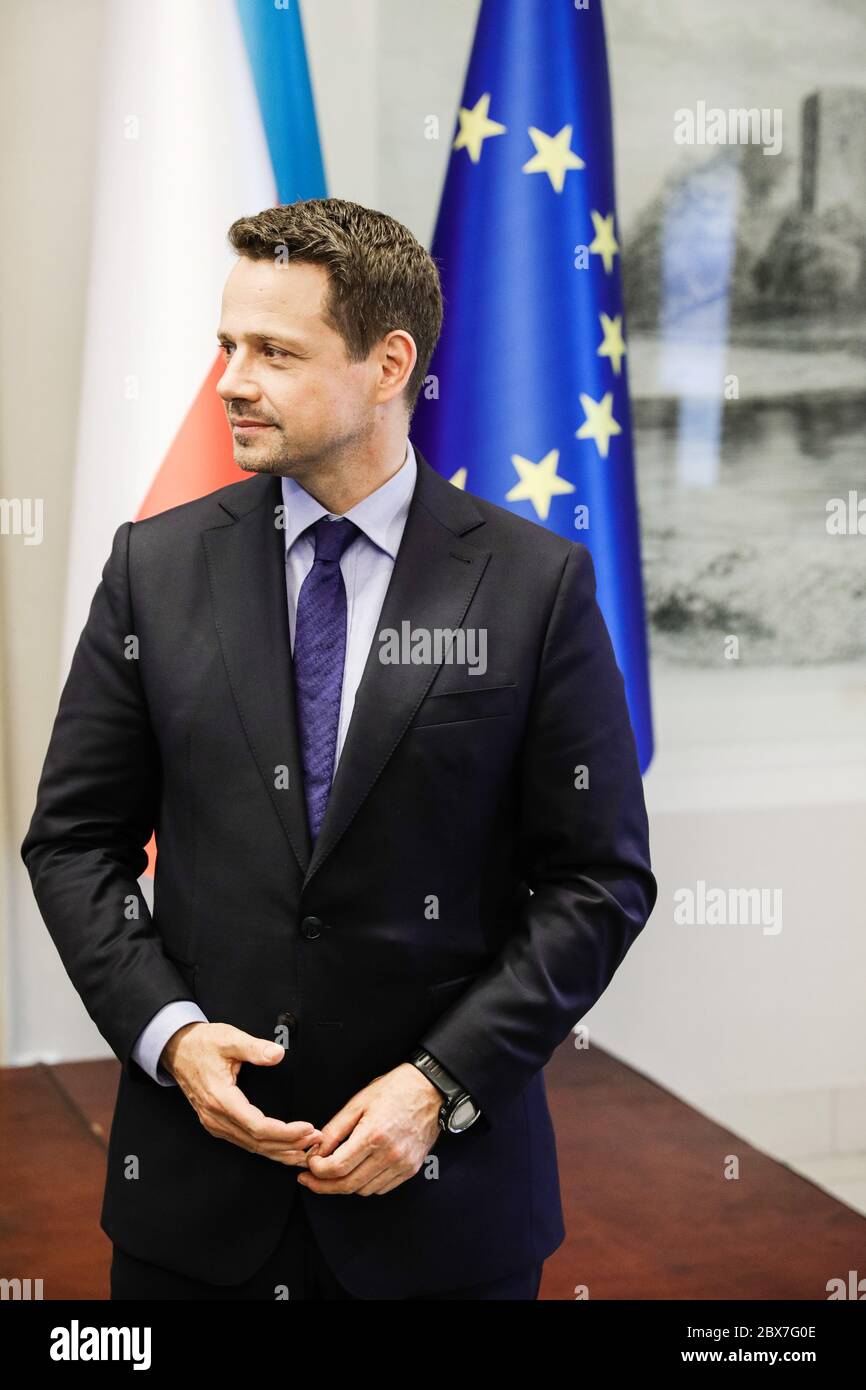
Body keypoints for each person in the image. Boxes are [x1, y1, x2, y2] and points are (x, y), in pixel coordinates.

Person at [21, 197, 657, 1300]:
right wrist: (169, 1035)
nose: (229, 379)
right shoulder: (155, 570)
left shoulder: (531, 586)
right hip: (194, 1208)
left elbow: (596, 880)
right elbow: (74, 840)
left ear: (386, 364)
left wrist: (436, 1087)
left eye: (272, 350)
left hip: (443, 1210)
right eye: (227, 345)